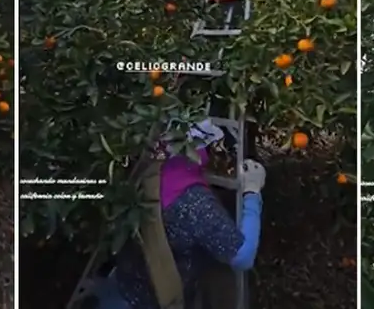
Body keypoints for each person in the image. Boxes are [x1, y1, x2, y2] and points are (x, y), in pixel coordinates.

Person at [94, 119, 266, 309]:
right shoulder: (193, 202)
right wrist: (252, 193)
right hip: (149, 301)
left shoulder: (146, 164)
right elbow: (243, 256)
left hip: (119, 285)